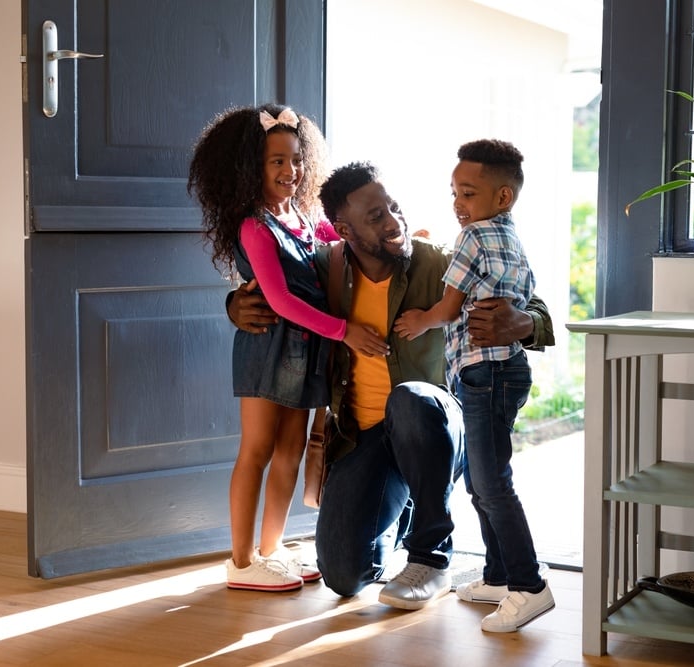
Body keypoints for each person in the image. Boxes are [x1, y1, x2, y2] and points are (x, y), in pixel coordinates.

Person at [226, 161, 554, 615]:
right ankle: (400, 518)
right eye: (376, 216)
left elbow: (527, 294)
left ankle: (431, 557)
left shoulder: (435, 260)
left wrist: (526, 322)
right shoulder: (327, 269)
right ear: (344, 229)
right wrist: (234, 305)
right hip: (364, 437)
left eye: (394, 208)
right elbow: (277, 288)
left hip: (433, 424)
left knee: (411, 398)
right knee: (343, 575)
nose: (393, 222)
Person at [188, 104, 388, 592]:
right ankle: (241, 562)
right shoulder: (254, 227)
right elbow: (278, 299)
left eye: (296, 159)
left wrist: (397, 236)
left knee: (291, 453)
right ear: (250, 167)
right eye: (276, 160)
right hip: (267, 349)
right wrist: (343, 331)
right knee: (256, 450)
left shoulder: (303, 218)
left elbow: (344, 242)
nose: (290, 170)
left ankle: (272, 549)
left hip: (307, 354)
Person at [392, 139, 552, 632]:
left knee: (490, 482)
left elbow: (447, 308)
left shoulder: (470, 240)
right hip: (507, 372)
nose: (457, 204)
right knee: (485, 480)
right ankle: (499, 576)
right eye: (454, 193)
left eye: (468, 193)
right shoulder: (511, 237)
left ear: (502, 197)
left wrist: (420, 321)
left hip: (483, 373)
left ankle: (530, 586)